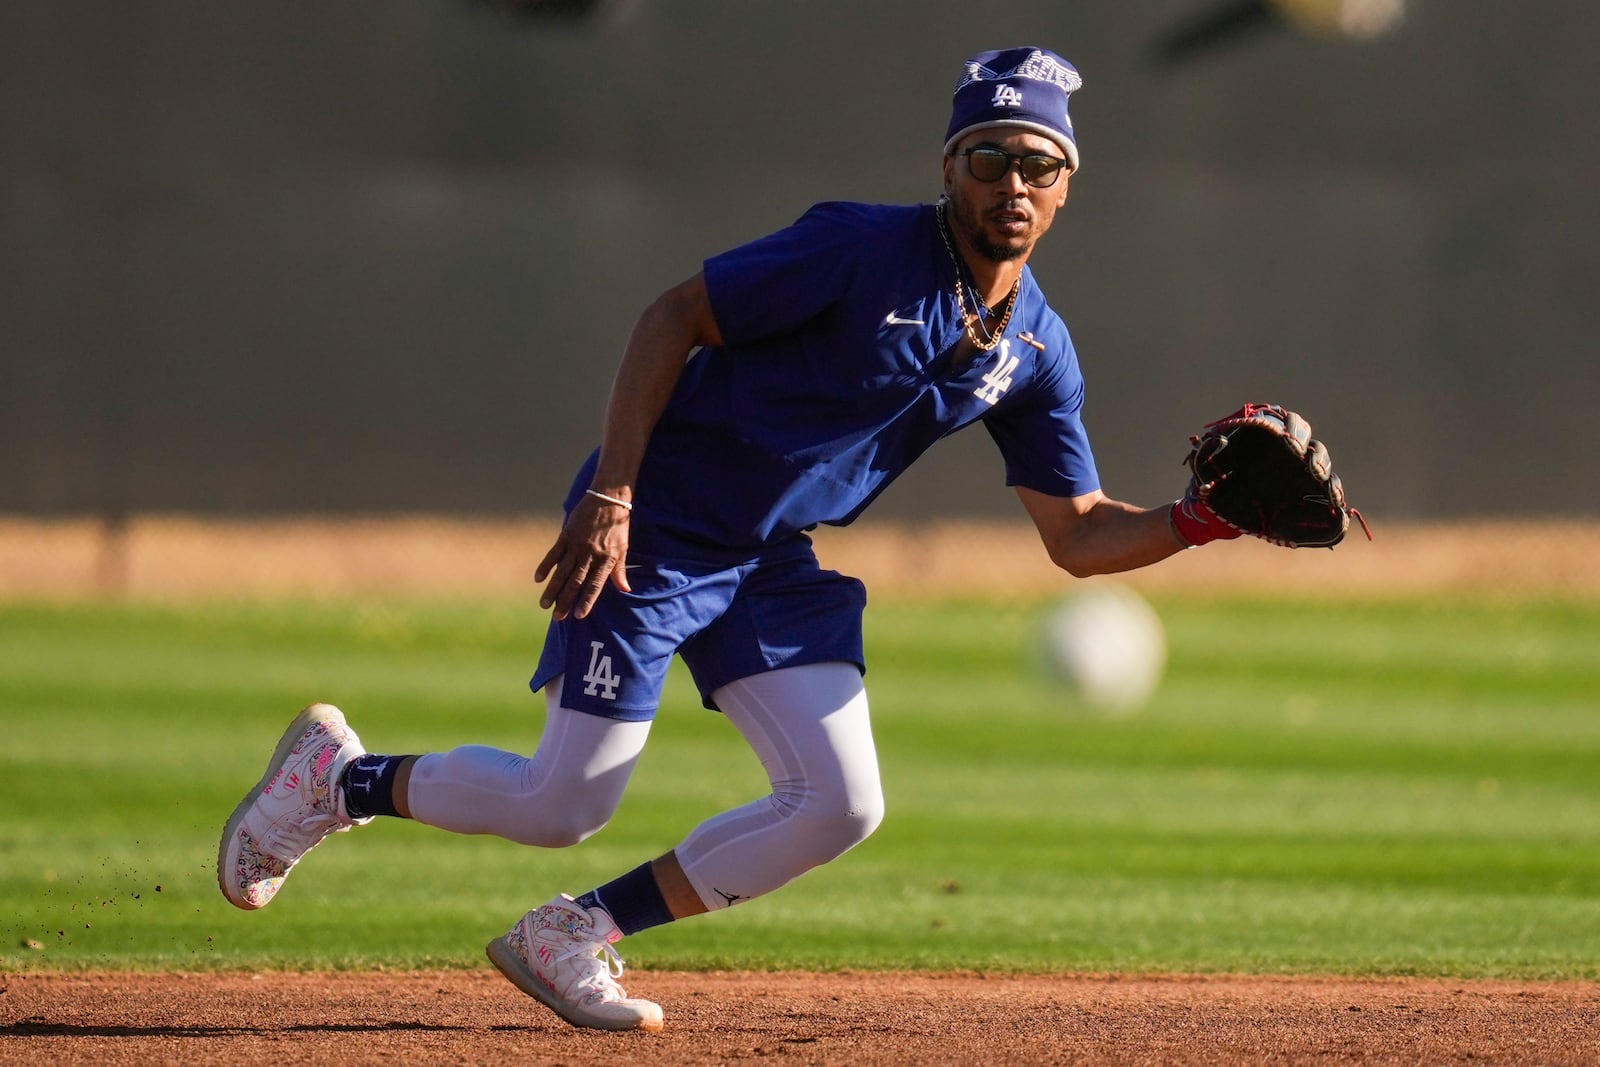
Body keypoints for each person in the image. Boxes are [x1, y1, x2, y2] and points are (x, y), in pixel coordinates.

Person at [218, 45, 1248, 1033]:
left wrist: (1201, 518)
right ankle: (334, 781)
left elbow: (1075, 534)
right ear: (949, 168)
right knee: (563, 800)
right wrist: (613, 492)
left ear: (1067, 183)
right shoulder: (861, 248)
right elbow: (672, 318)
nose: (1010, 183)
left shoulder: (1035, 346)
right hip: (657, 523)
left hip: (769, 556)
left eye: (1036, 163)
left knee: (839, 803)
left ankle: (574, 930)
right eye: (988, 158)